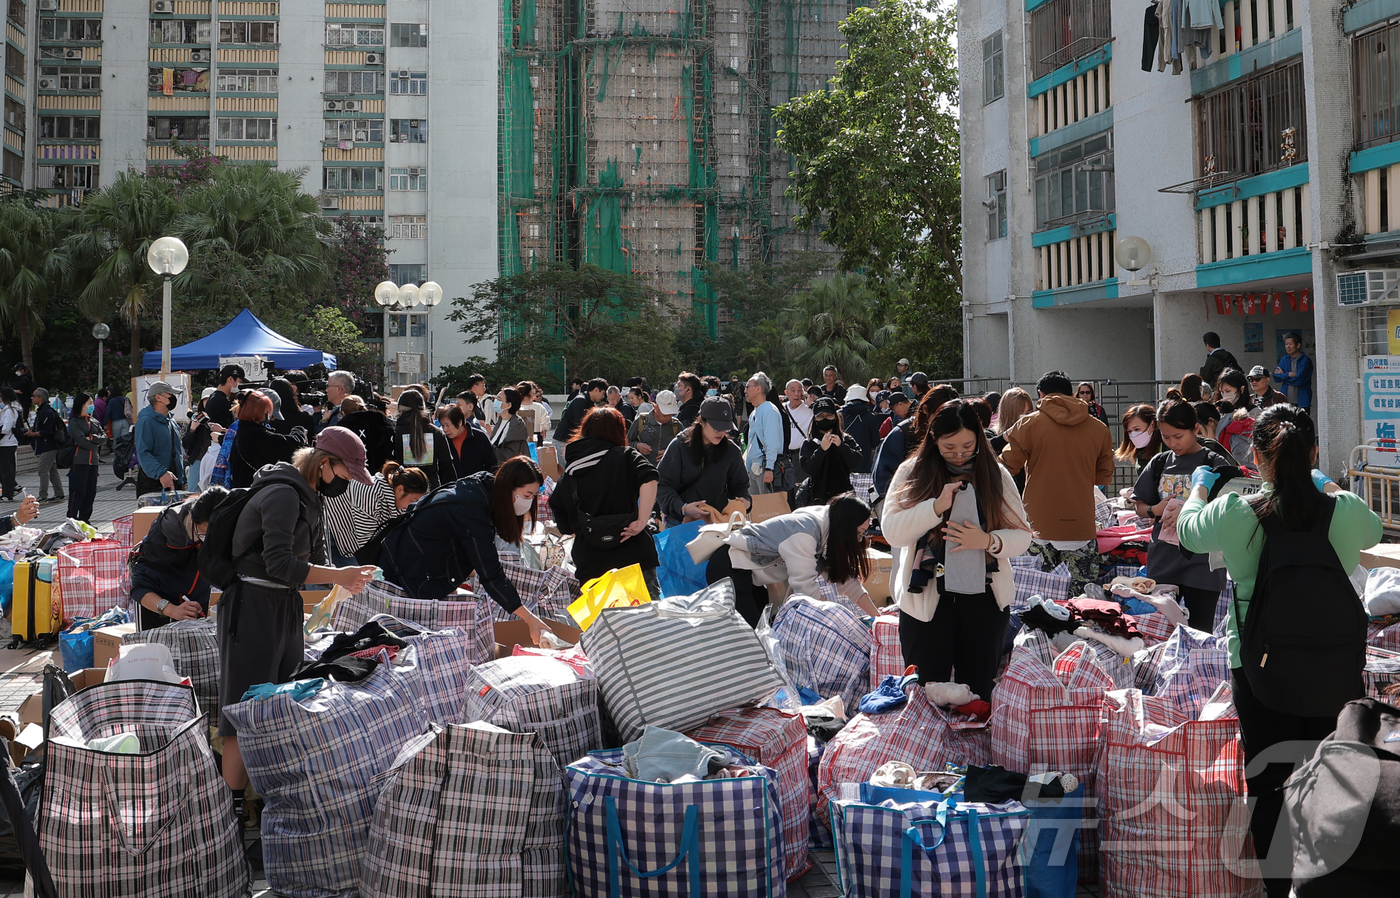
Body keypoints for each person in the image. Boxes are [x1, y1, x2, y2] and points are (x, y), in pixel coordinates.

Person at [1178, 405, 1382, 898]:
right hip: (1335, 670)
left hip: (1258, 669)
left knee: (1270, 788)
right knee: (1331, 780)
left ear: (1257, 459)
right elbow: (1373, 532)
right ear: (1313, 452)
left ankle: (1279, 890)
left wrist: (1199, 486)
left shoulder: (1237, 512)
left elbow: (1187, 532)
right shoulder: (1344, 511)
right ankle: (1326, 883)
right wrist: (1327, 483)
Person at [217, 430, 380, 801]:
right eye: (345, 473)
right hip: (253, 606)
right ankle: (233, 811)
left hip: (283, 605)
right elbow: (279, 564)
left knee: (280, 701)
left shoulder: (310, 497)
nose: (347, 482)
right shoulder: (283, 494)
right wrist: (337, 575)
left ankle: (266, 802)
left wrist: (345, 578)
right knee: (243, 711)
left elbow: (314, 564)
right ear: (324, 464)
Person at [883, 399, 1032, 710]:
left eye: (968, 445)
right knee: (925, 695)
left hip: (983, 601)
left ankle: (973, 758)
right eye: (949, 447)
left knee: (977, 694)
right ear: (933, 439)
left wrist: (987, 540)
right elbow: (892, 532)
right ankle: (928, 756)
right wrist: (935, 507)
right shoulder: (913, 471)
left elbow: (1022, 536)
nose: (960, 454)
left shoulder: (995, 473)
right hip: (926, 600)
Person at [377, 458, 552, 641]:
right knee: (408, 639)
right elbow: (490, 574)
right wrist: (529, 618)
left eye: (533, 496)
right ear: (509, 487)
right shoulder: (473, 510)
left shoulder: (483, 486)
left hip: (419, 560)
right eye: (526, 495)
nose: (529, 502)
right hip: (406, 568)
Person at [999, 372, 1115, 595]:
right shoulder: (1099, 428)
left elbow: (1006, 468)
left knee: (1035, 601)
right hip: (1081, 525)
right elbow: (1104, 477)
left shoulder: (1029, 424)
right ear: (1072, 393)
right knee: (1081, 603)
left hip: (1037, 525)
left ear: (1040, 394)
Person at [1131, 400, 1232, 632]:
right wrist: (1154, 510)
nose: (1172, 443)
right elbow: (1139, 505)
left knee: (1199, 634)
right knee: (1161, 633)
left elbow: (1229, 507)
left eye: (1178, 436)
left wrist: (1188, 509)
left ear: (1195, 428)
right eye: (1166, 437)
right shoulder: (1160, 462)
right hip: (1164, 562)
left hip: (1203, 564)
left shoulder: (1214, 463)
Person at [705, 493, 879, 627]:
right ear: (844, 527)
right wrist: (845, 621)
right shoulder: (806, 532)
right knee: (754, 636)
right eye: (858, 534)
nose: (859, 540)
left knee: (764, 630)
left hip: (749, 576)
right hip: (729, 567)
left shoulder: (828, 526)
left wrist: (877, 618)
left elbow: (847, 580)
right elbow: (806, 590)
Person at [549, 407, 661, 597]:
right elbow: (649, 478)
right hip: (634, 555)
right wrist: (642, 521)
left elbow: (559, 510)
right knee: (645, 621)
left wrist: (580, 528)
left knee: (602, 624)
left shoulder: (572, 470)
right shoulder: (626, 456)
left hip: (591, 561)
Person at [130, 488, 231, 630]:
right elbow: (139, 588)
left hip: (195, 604)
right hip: (158, 608)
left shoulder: (223, 532)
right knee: (157, 651)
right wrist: (171, 609)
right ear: (195, 521)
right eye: (206, 532)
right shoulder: (165, 534)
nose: (212, 538)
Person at [656, 398, 750, 526]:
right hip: (681, 522)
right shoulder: (680, 446)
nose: (721, 433)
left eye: (725, 428)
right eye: (716, 428)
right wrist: (683, 508)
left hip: (717, 523)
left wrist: (746, 501)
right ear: (701, 421)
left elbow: (740, 486)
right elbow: (662, 484)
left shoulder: (731, 451)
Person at [322, 461, 428, 564]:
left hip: (357, 540)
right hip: (336, 533)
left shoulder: (396, 498)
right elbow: (365, 545)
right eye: (413, 500)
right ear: (400, 489)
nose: (414, 506)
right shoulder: (370, 494)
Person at [873, 385, 957, 506]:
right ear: (926, 409)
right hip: (910, 507)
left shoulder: (961, 431)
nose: (945, 422)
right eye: (940, 415)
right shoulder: (903, 433)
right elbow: (883, 480)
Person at [229, 392, 308, 489]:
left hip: (245, 491)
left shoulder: (244, 430)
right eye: (267, 411)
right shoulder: (256, 435)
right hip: (256, 494)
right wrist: (299, 431)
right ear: (258, 412)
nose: (269, 415)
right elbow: (290, 444)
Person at [800, 397, 863, 506]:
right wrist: (822, 450)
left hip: (843, 497)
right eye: (820, 416)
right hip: (817, 498)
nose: (825, 419)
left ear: (835, 416)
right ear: (815, 419)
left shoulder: (845, 439)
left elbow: (857, 461)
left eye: (829, 415)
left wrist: (841, 446)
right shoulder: (809, 443)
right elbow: (809, 468)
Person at [133, 381, 186, 496]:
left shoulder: (171, 420)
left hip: (173, 480)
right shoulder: (146, 421)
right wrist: (161, 473)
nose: (174, 399)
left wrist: (181, 479)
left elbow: (177, 452)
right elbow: (143, 452)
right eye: (170, 395)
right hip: (153, 482)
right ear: (158, 397)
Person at [392, 388, 452, 488]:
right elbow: (447, 466)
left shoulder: (395, 432)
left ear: (401, 410)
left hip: (405, 490)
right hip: (431, 490)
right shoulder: (437, 432)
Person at [744, 372, 783, 495]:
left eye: (747, 387)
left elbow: (772, 442)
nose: (745, 391)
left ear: (758, 389)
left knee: (767, 510)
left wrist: (769, 468)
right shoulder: (754, 412)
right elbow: (751, 442)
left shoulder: (769, 410)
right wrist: (748, 468)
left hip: (765, 468)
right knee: (754, 509)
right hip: (754, 469)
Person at [66, 392, 103, 522]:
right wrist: (94, 443)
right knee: (77, 492)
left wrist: (92, 438)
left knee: (90, 493)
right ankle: (72, 519)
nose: (92, 405)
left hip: (93, 463)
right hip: (79, 462)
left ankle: (85, 520)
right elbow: (81, 441)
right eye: (90, 403)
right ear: (82, 405)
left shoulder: (94, 421)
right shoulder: (75, 422)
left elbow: (104, 438)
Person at [338, 394, 395, 476]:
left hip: (355, 479)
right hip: (384, 476)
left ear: (343, 413)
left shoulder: (343, 429)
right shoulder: (382, 422)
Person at [25, 388, 65, 503]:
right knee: (52, 469)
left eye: (34, 396)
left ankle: (43, 496)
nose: (32, 398)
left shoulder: (47, 412)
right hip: (46, 445)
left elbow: (48, 430)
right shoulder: (42, 411)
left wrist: (33, 434)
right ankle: (59, 493)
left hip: (49, 445)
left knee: (42, 470)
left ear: (40, 398)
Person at [437, 404, 496, 480]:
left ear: (459, 422)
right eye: (443, 426)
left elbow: (492, 465)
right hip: (449, 489)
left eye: (448, 425)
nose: (445, 429)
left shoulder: (479, 437)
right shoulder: (442, 439)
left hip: (476, 487)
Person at [552, 377, 606, 455]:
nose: (603, 396)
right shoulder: (580, 401)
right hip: (563, 442)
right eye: (603, 393)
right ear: (596, 390)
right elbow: (580, 424)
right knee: (568, 467)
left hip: (572, 442)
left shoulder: (590, 402)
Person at [627, 389, 682, 460]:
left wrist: (671, 453)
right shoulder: (641, 420)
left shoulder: (676, 425)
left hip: (667, 470)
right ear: (656, 408)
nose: (668, 417)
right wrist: (637, 445)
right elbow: (626, 443)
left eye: (671, 414)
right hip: (643, 468)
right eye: (665, 414)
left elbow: (685, 448)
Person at [838, 385, 878, 474]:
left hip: (840, 464)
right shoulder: (870, 417)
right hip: (863, 464)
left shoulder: (838, 415)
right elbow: (875, 442)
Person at [490, 387, 532, 465]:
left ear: (508, 405)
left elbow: (509, 455)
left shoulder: (516, 425)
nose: (495, 402)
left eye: (499, 399)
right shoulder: (500, 421)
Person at [1115, 403, 1163, 470]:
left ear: (1152, 425)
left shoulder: (1166, 447)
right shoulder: (1140, 453)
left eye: (1137, 429)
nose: (1133, 435)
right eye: (1129, 431)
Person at [1272, 334, 1313, 412]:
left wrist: (1284, 376)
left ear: (1298, 345)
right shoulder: (1284, 359)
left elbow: (1300, 380)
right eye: (1286, 344)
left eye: (1290, 344)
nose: (1288, 346)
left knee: (1302, 424)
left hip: (1302, 402)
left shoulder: (1306, 360)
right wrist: (1289, 374)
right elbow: (1275, 377)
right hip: (1286, 401)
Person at [184, 392, 215, 489]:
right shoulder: (196, 419)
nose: (208, 402)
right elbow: (186, 444)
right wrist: (192, 429)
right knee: (193, 494)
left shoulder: (221, 417)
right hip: (198, 461)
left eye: (210, 399)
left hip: (215, 462)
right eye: (205, 400)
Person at [205, 364, 244, 429]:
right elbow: (222, 426)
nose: (240, 384)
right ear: (230, 379)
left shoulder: (214, 396)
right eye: (240, 381)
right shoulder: (221, 400)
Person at [0, 388, 21, 500]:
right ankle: (12, 488)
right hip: (5, 443)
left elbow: (6, 428)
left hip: (7, 443)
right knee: (4, 469)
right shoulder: (7, 409)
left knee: (6, 470)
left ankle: (7, 494)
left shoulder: (10, 410)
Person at [106, 384, 131, 449]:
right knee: (125, 439)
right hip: (126, 421)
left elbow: (108, 412)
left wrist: (105, 423)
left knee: (116, 440)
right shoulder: (126, 399)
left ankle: (117, 455)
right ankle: (125, 454)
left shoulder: (112, 401)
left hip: (115, 422)